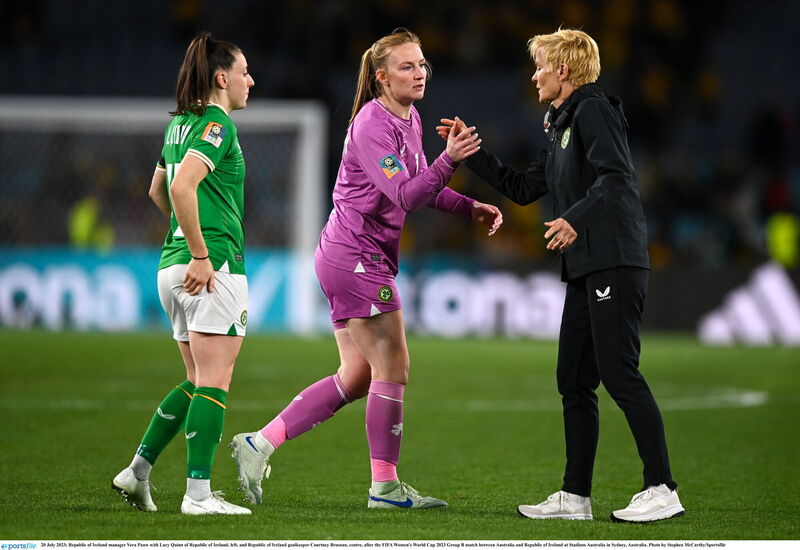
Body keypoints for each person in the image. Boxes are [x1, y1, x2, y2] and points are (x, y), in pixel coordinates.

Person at [229, 28, 502, 509]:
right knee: (394, 364)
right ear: (381, 77)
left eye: (422, 65)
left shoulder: (410, 118)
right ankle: (385, 487)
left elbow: (422, 187)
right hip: (355, 257)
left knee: (356, 375)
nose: (419, 74)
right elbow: (404, 194)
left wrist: (469, 207)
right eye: (406, 66)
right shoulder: (372, 124)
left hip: (349, 255)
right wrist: (449, 160)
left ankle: (261, 442)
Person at [437, 28, 684, 523]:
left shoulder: (593, 109)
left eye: (541, 66)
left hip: (613, 256)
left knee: (618, 371)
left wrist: (575, 218)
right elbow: (524, 188)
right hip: (586, 266)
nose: (535, 74)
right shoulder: (560, 123)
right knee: (573, 379)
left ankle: (662, 487)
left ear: (564, 70)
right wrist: (471, 154)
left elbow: (617, 178)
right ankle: (575, 498)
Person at [112, 32, 254, 516]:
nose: (249, 80)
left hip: (171, 268)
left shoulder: (179, 124)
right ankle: (198, 495)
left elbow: (160, 187)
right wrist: (201, 252)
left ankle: (137, 472)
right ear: (222, 78)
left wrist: (183, 245)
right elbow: (182, 187)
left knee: (195, 378)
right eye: (243, 72)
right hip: (209, 267)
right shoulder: (217, 124)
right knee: (215, 379)